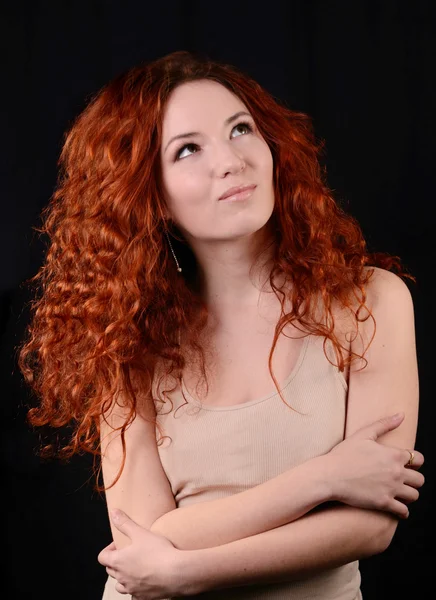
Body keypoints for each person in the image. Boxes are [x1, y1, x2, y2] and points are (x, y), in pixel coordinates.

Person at [18, 50, 424, 600]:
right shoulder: (125, 338)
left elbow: (370, 526)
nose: (230, 161)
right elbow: (143, 541)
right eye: (188, 149)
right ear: (152, 198)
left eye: (241, 130)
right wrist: (326, 477)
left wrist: (185, 570)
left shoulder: (371, 302)